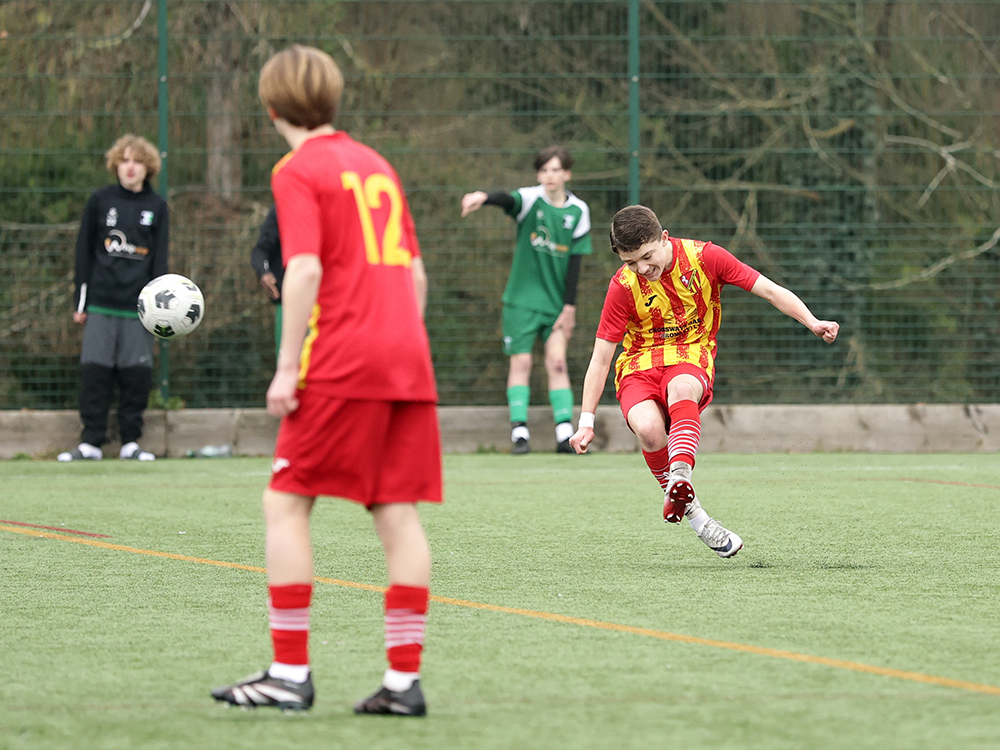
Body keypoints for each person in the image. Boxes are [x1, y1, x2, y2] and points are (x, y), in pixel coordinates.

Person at [211, 45, 441, 717]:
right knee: (396, 513)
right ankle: (403, 684)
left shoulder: (298, 168)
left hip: (342, 358)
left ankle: (288, 673)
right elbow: (417, 276)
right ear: (335, 100)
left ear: (271, 106)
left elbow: (304, 270)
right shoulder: (377, 163)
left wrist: (288, 368)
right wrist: (397, 343)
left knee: (286, 502)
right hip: (406, 356)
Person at [569, 205, 839, 558]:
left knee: (682, 388)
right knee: (649, 430)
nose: (642, 269)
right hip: (638, 365)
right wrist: (586, 421)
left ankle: (680, 477)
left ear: (664, 238)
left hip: (690, 353)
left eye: (647, 257)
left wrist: (812, 321)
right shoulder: (622, 286)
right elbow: (602, 356)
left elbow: (770, 290)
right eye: (631, 262)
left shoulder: (705, 257)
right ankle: (697, 517)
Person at [460, 146, 592, 455]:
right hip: (520, 301)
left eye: (556, 170)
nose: (550, 176)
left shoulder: (579, 212)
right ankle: (520, 432)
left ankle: (564, 435)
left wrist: (569, 308)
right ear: (539, 174)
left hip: (557, 305)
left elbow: (575, 264)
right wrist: (484, 197)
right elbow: (508, 200)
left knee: (557, 363)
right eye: (544, 170)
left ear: (567, 174)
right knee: (521, 362)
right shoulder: (531, 199)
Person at [57, 134, 169, 463]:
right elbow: (83, 254)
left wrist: (158, 310)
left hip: (139, 308)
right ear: (115, 165)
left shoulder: (157, 207)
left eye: (137, 161)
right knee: (96, 371)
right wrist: (81, 301)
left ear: (147, 167)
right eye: (124, 160)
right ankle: (91, 441)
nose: (130, 167)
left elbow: (159, 261)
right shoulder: (100, 201)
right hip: (101, 301)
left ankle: (131, 442)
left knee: (135, 375)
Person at [249, 205, 284, 358]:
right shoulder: (282, 210)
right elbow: (260, 250)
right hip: (289, 307)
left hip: (331, 306)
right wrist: (264, 273)